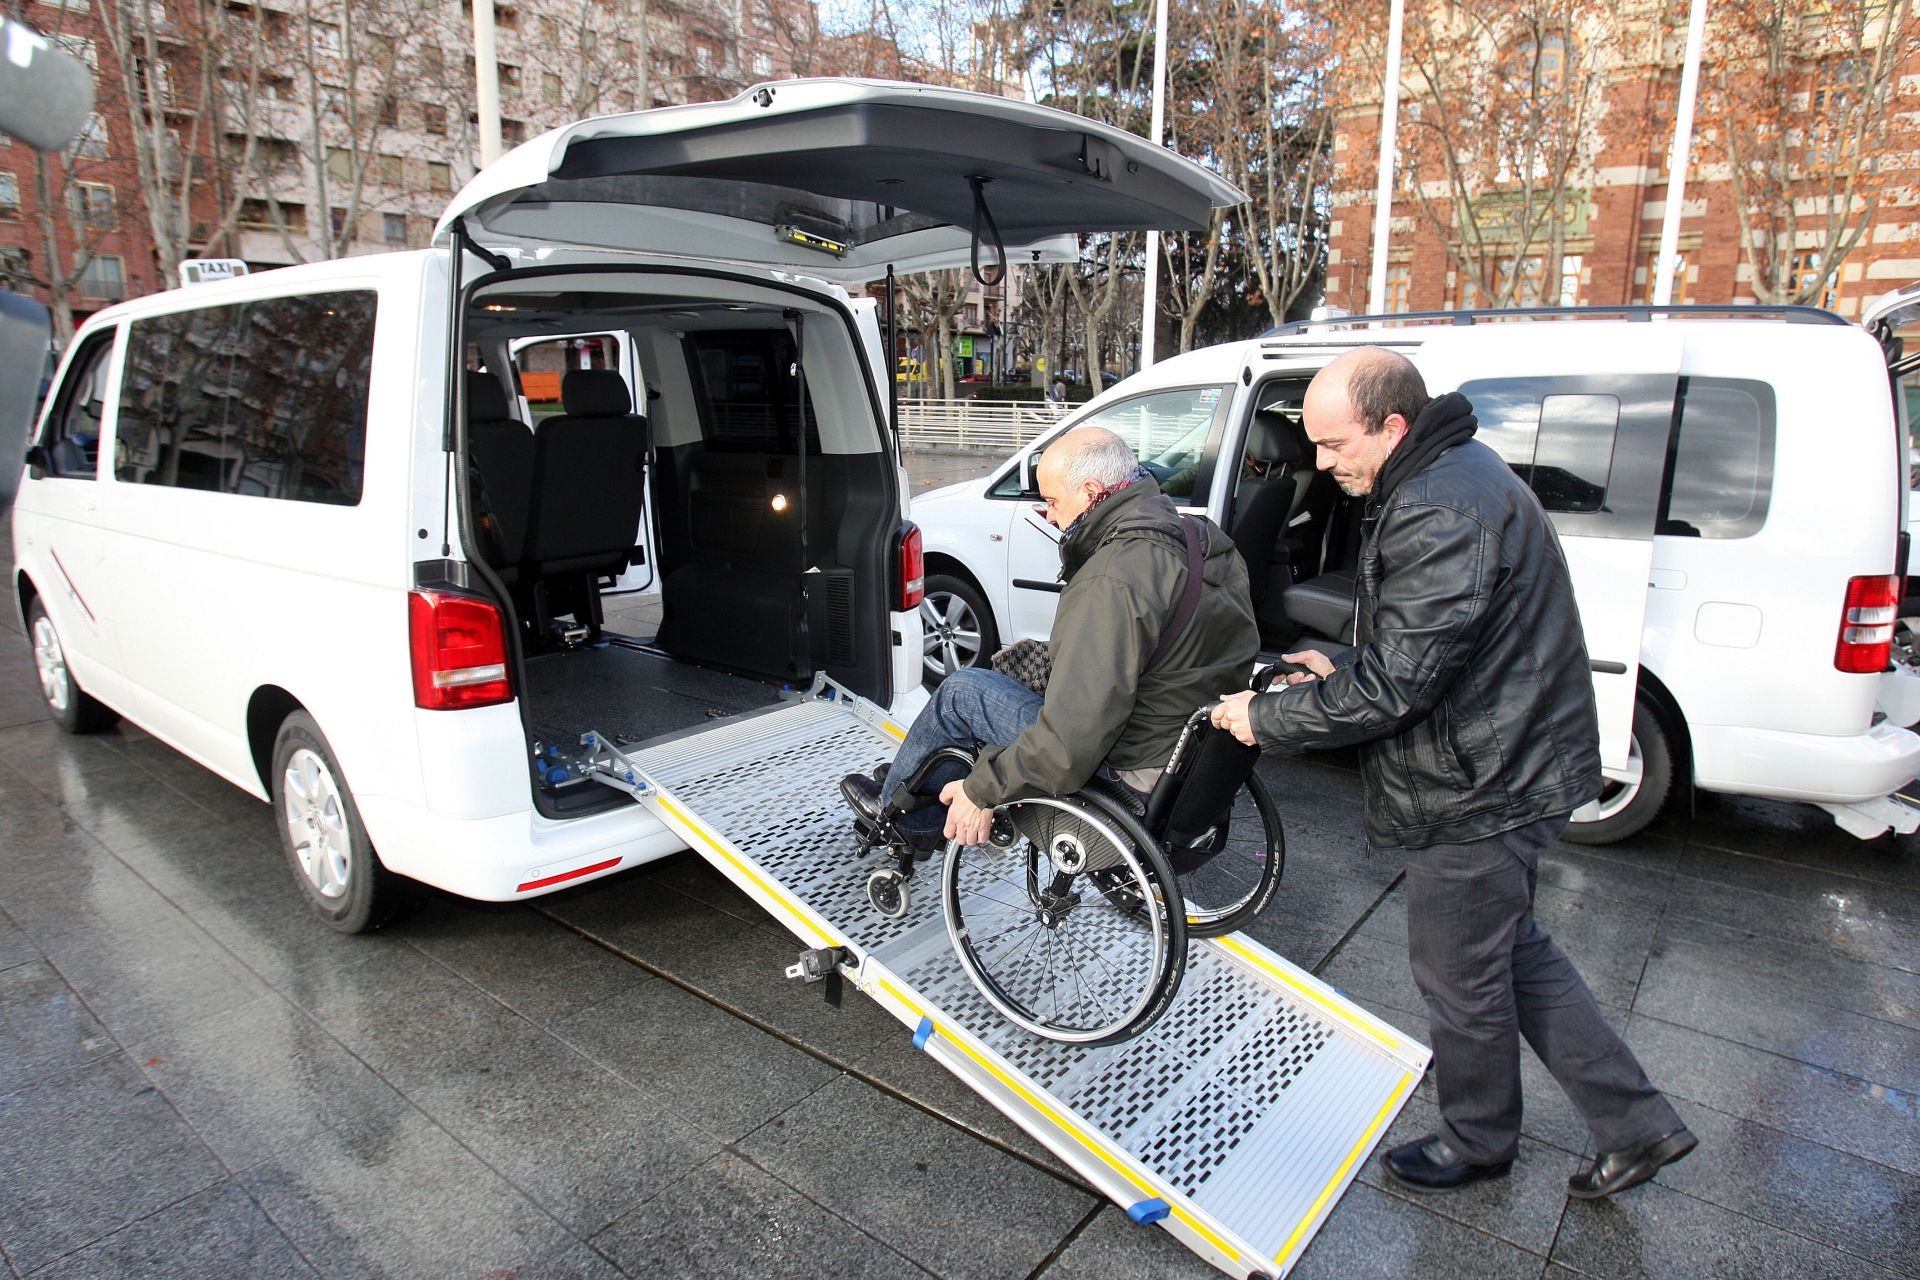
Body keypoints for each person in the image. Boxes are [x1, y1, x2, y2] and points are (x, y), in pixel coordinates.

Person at [1211, 348, 1695, 1200]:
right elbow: (1425, 647)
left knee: (1459, 970)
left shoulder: (1439, 507)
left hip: (1480, 782)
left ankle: (1478, 1141)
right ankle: (1638, 1124)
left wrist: (1265, 717)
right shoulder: (1444, 477)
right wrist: (1341, 664)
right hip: (1506, 756)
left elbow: (1401, 686)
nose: (1321, 464)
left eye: (1333, 445)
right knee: (1510, 952)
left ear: (1392, 426)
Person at [843, 426, 1257, 850]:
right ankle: (917, 777)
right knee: (1015, 670)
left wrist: (984, 787)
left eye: (1054, 501)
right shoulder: (1198, 536)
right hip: (1188, 752)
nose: (1049, 515)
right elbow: (1163, 649)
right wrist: (1048, 655)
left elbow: (1071, 741)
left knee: (962, 692)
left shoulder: (1112, 575)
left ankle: (904, 817)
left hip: (1129, 766)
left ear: (1093, 491)